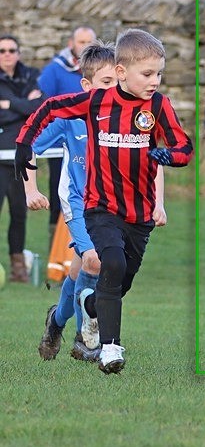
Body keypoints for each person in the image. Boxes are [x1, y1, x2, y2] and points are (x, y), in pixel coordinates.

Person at [16, 28, 193, 374]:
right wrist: (28, 169)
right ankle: (99, 343)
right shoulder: (90, 107)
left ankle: (65, 315)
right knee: (99, 263)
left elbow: (178, 149)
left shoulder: (156, 108)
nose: (155, 80)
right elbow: (47, 113)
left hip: (136, 212)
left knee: (107, 277)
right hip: (87, 204)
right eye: (148, 74)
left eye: (159, 73)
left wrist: (164, 167)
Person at [38, 26, 98, 234]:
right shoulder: (55, 70)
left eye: (89, 42)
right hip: (61, 144)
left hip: (93, 141)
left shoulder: (101, 69)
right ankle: (56, 245)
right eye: (81, 42)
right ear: (71, 44)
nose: (85, 46)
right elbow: (42, 104)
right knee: (60, 192)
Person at [0, 34, 43, 282]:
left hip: (19, 157)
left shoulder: (30, 75)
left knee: (19, 213)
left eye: (11, 50)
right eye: (2, 50)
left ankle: (19, 269)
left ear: (18, 52)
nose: (7, 54)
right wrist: (21, 106)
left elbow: (37, 109)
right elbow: (24, 110)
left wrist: (7, 104)